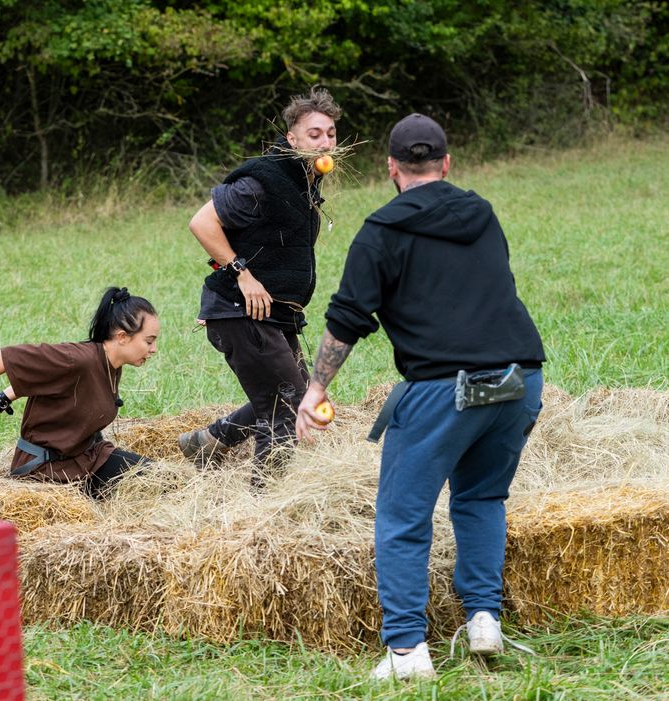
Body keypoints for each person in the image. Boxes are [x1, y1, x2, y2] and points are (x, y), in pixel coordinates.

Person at [295, 114, 545, 681]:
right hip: (519, 378)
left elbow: (346, 320)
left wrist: (316, 390)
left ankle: (407, 652)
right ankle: (483, 620)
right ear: (447, 164)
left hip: (442, 389)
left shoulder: (380, 231)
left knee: (403, 517)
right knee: (482, 497)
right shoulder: (481, 213)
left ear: (391, 167)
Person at [176, 85, 341, 485]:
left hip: (274, 314)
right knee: (288, 405)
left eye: (331, 133)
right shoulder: (264, 179)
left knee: (295, 394)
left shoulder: (303, 181)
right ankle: (264, 503)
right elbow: (202, 222)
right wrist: (242, 273)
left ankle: (208, 441)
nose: (325, 141)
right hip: (239, 310)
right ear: (292, 138)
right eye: (314, 133)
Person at [0, 287, 159, 499]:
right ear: (122, 337)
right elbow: (6, 358)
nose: (154, 349)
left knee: (162, 480)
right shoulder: (76, 359)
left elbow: (43, 379)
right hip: (47, 472)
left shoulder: (111, 364)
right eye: (149, 341)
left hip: (88, 458)